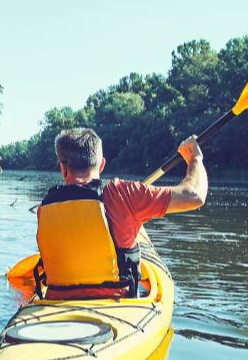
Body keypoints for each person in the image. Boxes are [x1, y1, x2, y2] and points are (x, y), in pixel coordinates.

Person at [33, 128, 207, 299]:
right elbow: (195, 195)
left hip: (56, 305)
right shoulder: (123, 193)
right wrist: (195, 159)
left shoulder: (44, 208)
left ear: (63, 168)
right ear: (101, 164)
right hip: (117, 306)